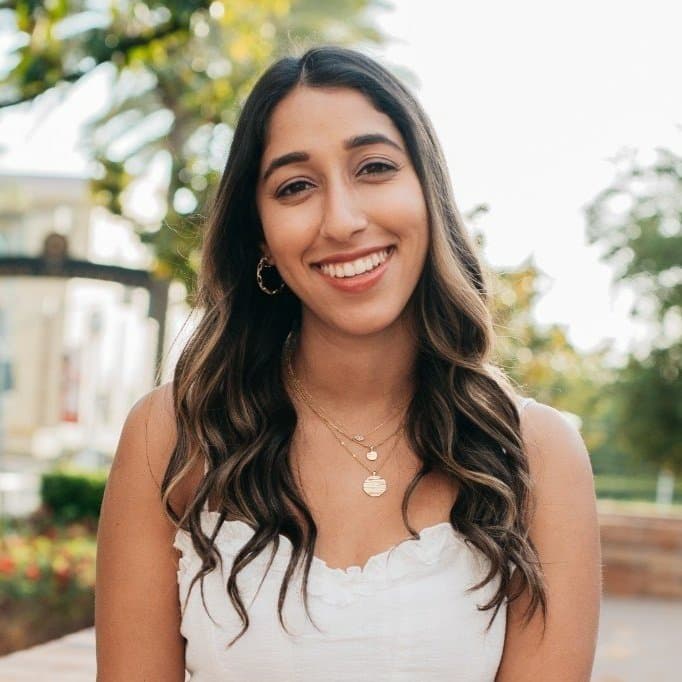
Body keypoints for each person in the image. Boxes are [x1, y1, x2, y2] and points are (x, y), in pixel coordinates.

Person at [95, 45, 602, 681]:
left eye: (374, 168)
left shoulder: (537, 454)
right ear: (260, 236)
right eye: (295, 186)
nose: (342, 220)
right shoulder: (172, 436)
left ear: (428, 193)